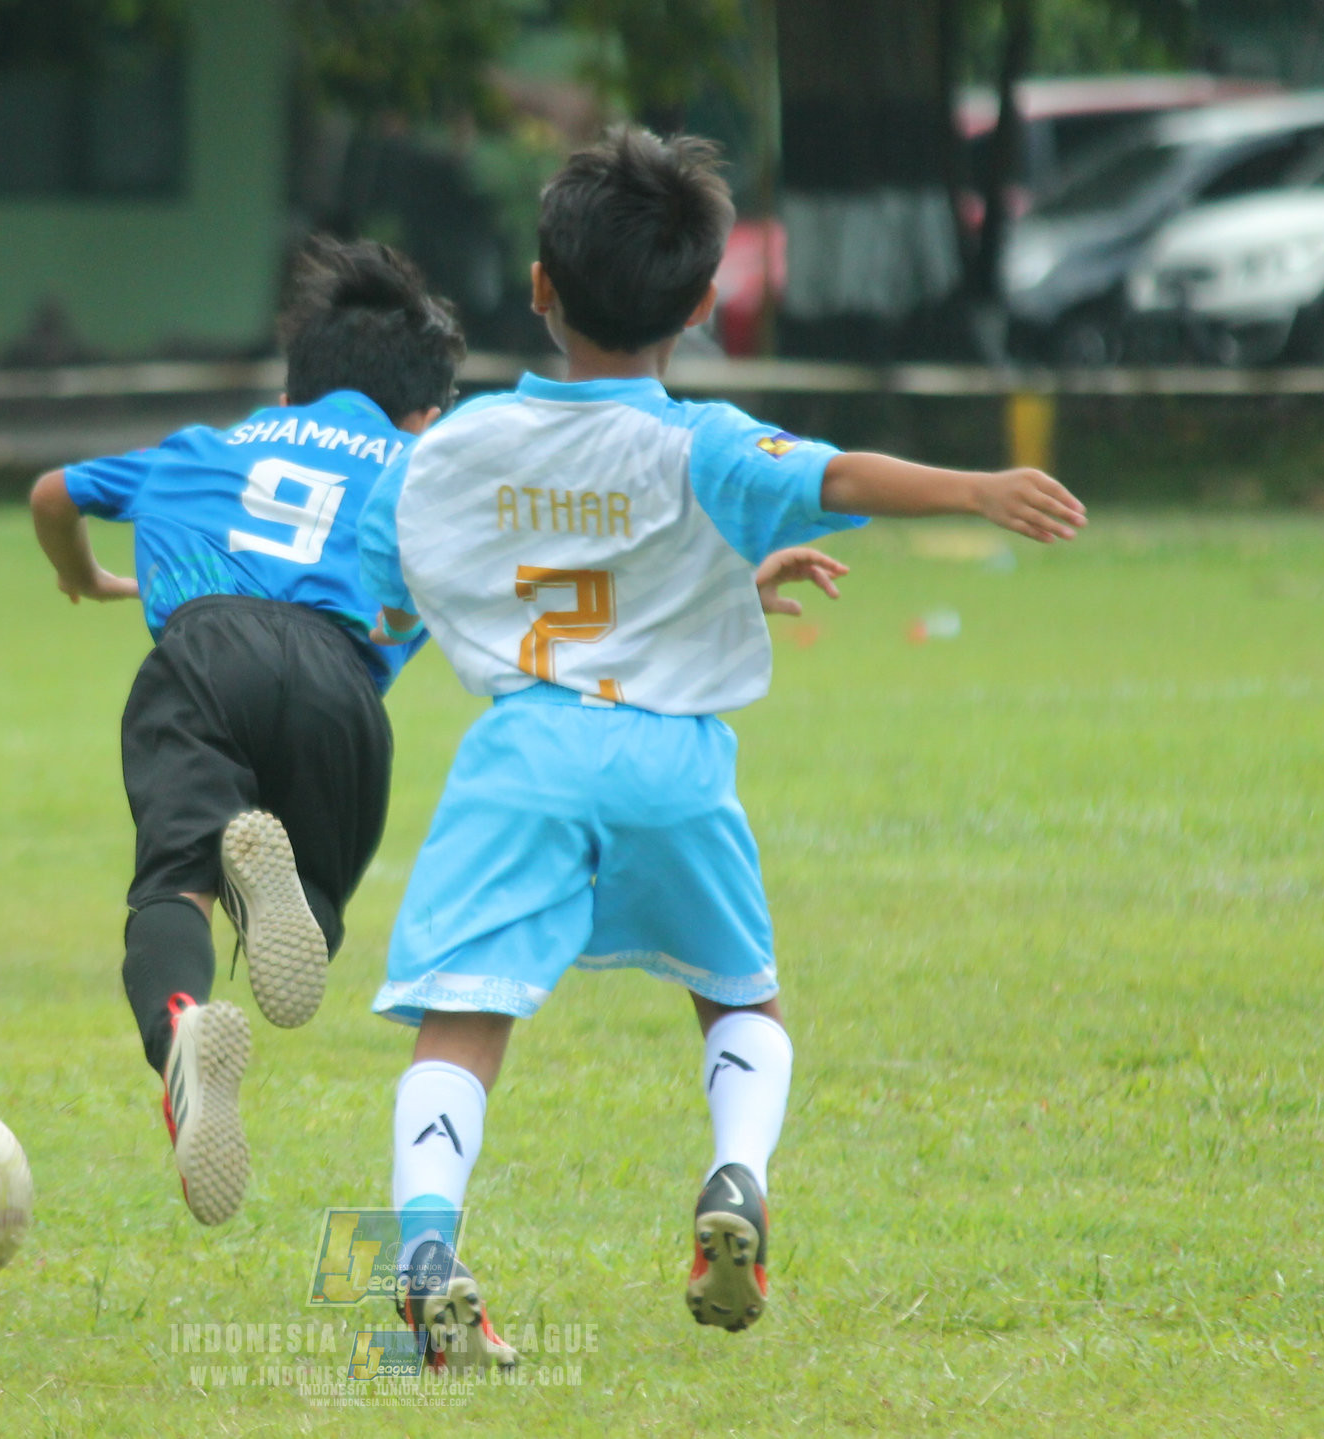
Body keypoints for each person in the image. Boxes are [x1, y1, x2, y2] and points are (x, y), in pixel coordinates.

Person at [357, 127, 1086, 1367]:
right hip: (669, 766)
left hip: (522, 761)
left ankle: (424, 1245)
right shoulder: (697, 444)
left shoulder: (457, 446)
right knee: (739, 995)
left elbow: (430, 579)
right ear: (700, 304)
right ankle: (735, 1175)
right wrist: (972, 488)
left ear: (538, 287)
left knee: (461, 1016)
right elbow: (834, 475)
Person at [28, 238, 463, 1226]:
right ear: (425, 416)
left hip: (203, 651)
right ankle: (282, 893)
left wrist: (82, 573)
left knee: (170, 884)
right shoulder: (427, 470)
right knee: (312, 899)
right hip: (339, 682)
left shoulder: (203, 447)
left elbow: (54, 492)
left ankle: (181, 1023)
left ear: (290, 389)